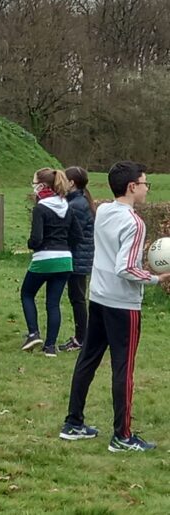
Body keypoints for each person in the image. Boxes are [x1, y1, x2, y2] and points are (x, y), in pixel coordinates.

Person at [61, 161, 170, 451]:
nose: (147, 188)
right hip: (123, 304)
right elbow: (125, 268)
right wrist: (155, 278)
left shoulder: (105, 210)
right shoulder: (135, 223)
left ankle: (73, 423)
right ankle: (122, 436)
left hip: (98, 297)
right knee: (124, 368)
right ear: (132, 186)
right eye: (145, 183)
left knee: (87, 359)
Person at [20, 168, 81, 356]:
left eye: (34, 182)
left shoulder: (40, 208)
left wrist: (31, 244)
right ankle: (50, 347)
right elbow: (78, 235)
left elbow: (36, 239)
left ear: (42, 185)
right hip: (65, 260)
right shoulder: (67, 206)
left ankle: (33, 333)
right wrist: (64, 247)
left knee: (27, 294)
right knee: (53, 303)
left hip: (44, 258)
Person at [60, 166, 95, 352]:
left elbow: (74, 234)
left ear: (72, 183)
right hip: (79, 256)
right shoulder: (78, 201)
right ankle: (83, 337)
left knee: (78, 298)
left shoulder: (77, 205)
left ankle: (82, 338)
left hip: (78, 257)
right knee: (77, 297)